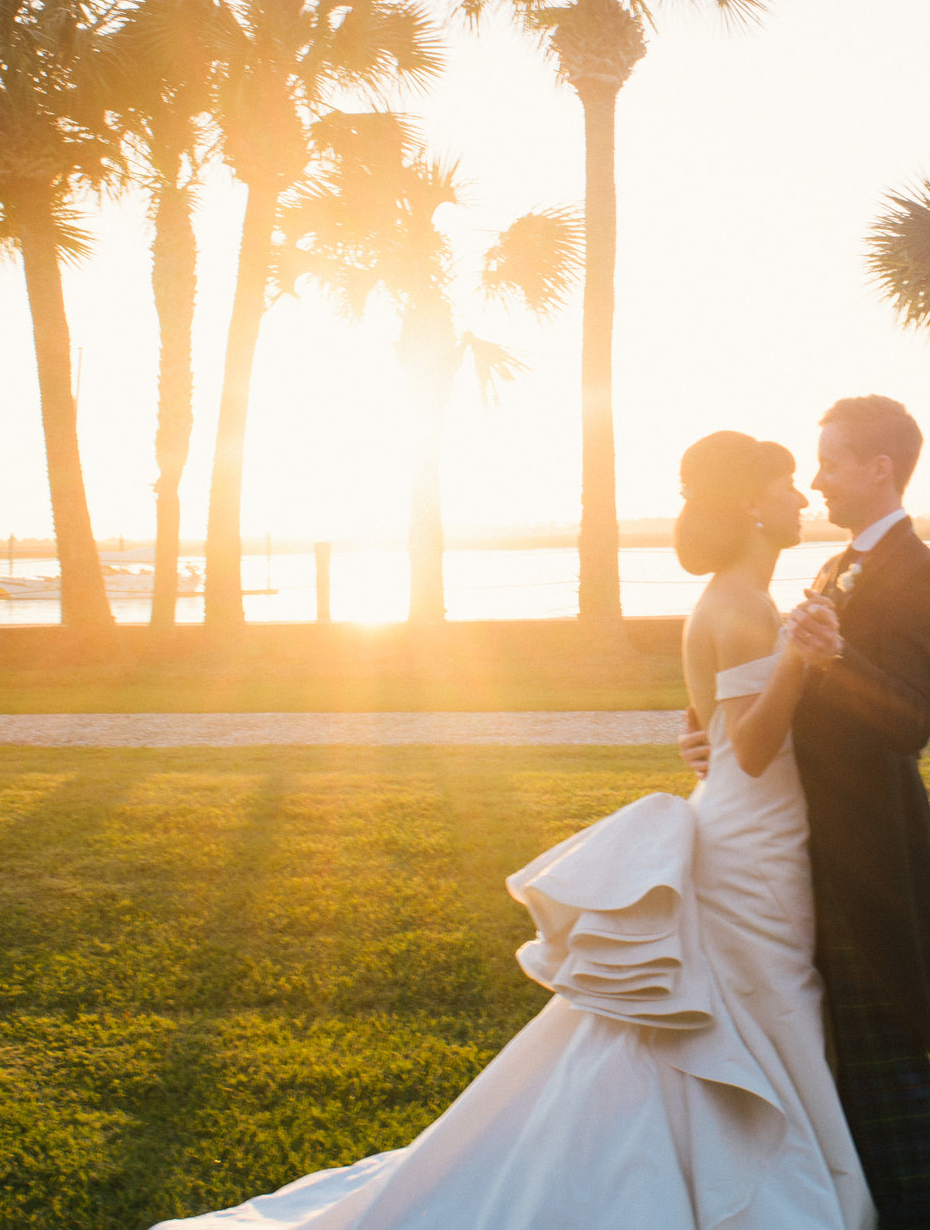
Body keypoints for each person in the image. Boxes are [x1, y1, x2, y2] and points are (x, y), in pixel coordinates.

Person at [153, 431, 873, 1230]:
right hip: (750, 843)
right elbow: (751, 743)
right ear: (749, 503)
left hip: (748, 823)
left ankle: (680, 1162)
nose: (801, 497)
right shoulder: (740, 608)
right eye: (784, 484)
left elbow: (709, 731)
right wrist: (801, 662)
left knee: (736, 1009)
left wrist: (775, 675)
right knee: (751, 999)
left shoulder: (747, 603)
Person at [682, 396, 930, 1230]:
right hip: (797, 848)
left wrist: (827, 659)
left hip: (867, 856)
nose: (816, 480)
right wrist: (715, 737)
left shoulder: (925, 576)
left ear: (880, 469)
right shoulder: (831, 569)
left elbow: (910, 720)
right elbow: (770, 699)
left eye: (831, 462)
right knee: (827, 1049)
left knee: (887, 1048)